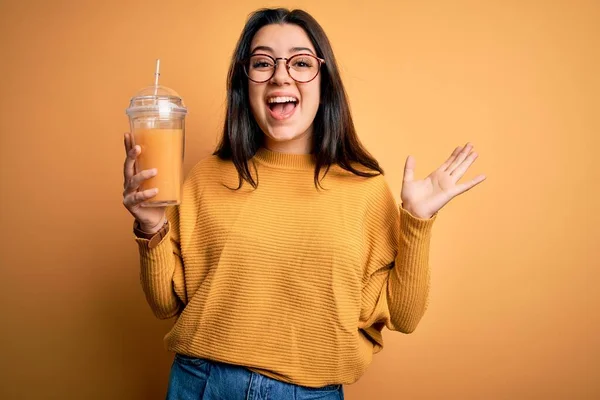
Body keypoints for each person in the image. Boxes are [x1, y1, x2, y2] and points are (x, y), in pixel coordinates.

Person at [122, 7, 486, 400]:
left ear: (324, 81)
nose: (281, 75)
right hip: (202, 384)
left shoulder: (364, 188)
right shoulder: (204, 178)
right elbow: (164, 305)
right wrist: (150, 224)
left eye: (300, 62)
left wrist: (417, 220)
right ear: (244, 83)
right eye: (263, 63)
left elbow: (405, 316)